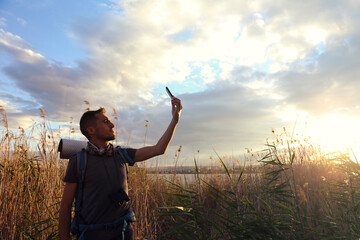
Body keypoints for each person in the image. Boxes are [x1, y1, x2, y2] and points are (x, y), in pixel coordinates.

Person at [59, 97, 182, 240]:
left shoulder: (122, 154)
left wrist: (174, 120)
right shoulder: (79, 161)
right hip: (92, 235)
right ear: (91, 130)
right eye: (105, 122)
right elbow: (66, 206)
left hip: (124, 233)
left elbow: (158, 149)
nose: (112, 125)